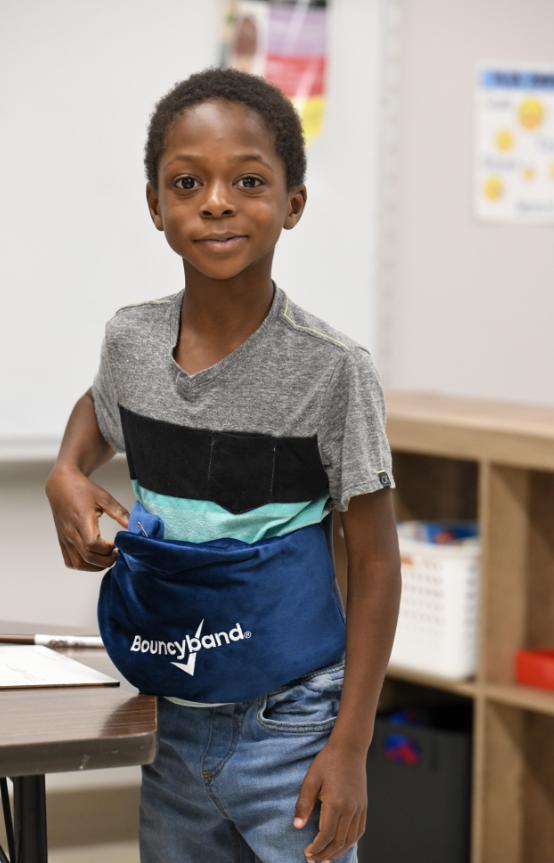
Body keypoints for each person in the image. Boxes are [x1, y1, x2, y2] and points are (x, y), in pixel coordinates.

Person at [45, 66, 401, 863]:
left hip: (294, 724)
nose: (215, 202)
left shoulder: (333, 369)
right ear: (155, 205)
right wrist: (65, 470)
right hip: (168, 712)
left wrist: (351, 744)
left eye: (248, 180)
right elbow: (98, 410)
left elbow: (377, 562)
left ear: (293, 203)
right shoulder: (132, 340)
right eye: (187, 182)